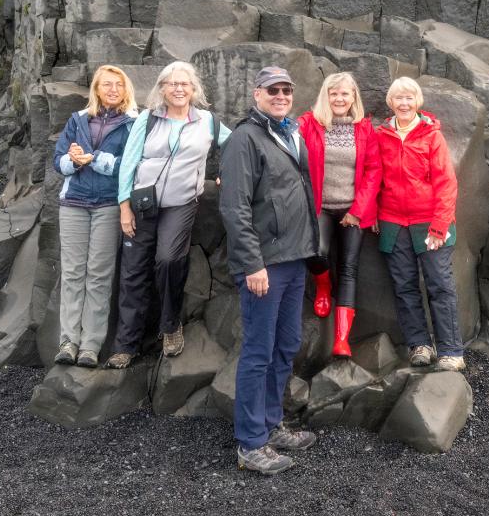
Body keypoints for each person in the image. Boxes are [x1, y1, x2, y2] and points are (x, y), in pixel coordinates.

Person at [220, 66, 319, 476]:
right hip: (265, 264)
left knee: (286, 345)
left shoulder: (289, 131)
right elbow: (234, 207)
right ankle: (250, 443)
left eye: (286, 89)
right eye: (272, 90)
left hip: (295, 259)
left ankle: (270, 422)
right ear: (257, 94)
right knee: (258, 352)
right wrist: (252, 263)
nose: (280, 95)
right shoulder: (245, 138)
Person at [106, 61, 230, 369]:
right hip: (141, 204)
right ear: (162, 88)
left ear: (193, 89)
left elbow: (239, 144)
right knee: (133, 271)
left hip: (181, 203)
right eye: (172, 84)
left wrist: (226, 171)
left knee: (168, 260)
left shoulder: (208, 121)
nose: (178, 88)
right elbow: (129, 163)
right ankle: (126, 344)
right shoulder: (147, 119)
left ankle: (171, 325)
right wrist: (124, 207)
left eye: (184, 84)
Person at [376, 77, 465, 372]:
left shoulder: (431, 136)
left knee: (440, 285)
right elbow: (373, 177)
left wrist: (440, 225)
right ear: (390, 102)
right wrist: (374, 214)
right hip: (393, 222)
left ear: (418, 102)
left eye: (409, 98)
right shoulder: (381, 134)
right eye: (398, 98)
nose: (403, 103)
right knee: (404, 287)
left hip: (430, 222)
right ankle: (420, 345)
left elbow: (446, 183)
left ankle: (451, 351)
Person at [51, 65, 138, 368]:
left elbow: (130, 167)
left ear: (126, 90)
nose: (113, 89)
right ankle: (68, 341)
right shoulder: (77, 120)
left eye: (118, 85)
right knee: (73, 272)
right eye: (106, 85)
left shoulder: (132, 125)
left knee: (99, 276)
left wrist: (95, 159)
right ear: (97, 90)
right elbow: (57, 161)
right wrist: (73, 162)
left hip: (107, 204)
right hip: (74, 202)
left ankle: (90, 346)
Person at [297, 72, 381, 357]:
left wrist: (357, 212)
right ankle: (323, 286)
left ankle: (342, 339)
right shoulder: (309, 123)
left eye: (345, 94)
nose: (339, 99)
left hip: (352, 210)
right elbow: (278, 138)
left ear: (353, 96)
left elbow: (373, 172)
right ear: (326, 96)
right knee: (315, 252)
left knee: (349, 267)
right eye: (334, 94)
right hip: (320, 206)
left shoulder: (365, 129)